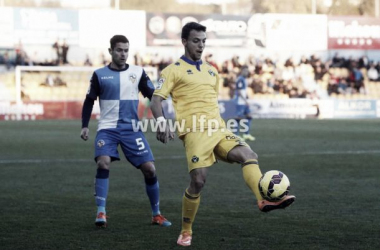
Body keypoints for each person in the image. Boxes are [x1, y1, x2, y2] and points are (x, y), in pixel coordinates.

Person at [150, 22, 295, 247]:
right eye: (196, 41)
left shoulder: (212, 70)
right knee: (198, 181)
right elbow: (156, 99)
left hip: (218, 129)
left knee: (248, 153)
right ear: (184, 42)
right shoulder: (172, 71)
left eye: (203, 41)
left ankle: (263, 199)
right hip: (194, 131)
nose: (200, 45)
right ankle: (186, 231)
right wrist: (161, 122)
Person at [80, 35, 171, 228]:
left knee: (150, 169)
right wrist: (85, 125)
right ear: (111, 51)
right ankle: (101, 212)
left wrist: (161, 121)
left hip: (132, 129)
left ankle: (156, 214)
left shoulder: (138, 72)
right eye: (119, 50)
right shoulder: (99, 74)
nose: (123, 54)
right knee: (103, 164)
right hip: (107, 129)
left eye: (126, 50)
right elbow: (89, 100)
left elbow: (153, 97)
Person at [234, 65, 255, 141]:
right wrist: (245, 100)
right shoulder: (240, 79)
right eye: (245, 71)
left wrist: (247, 97)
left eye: (247, 71)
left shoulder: (244, 79)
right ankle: (236, 135)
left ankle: (246, 134)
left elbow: (244, 91)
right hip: (240, 102)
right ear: (241, 71)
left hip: (244, 101)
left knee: (249, 116)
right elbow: (239, 91)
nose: (246, 72)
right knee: (238, 118)